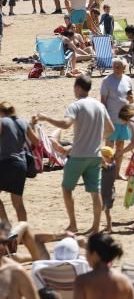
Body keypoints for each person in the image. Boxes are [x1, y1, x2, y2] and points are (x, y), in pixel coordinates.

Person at [33, 76, 114, 235]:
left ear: (77, 87)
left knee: (67, 188)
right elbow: (110, 129)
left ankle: (73, 224)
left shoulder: (75, 106)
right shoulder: (99, 106)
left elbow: (66, 124)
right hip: (95, 155)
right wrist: (95, 137)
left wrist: (46, 118)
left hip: (78, 155)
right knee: (94, 191)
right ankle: (95, 227)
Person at [0, 101, 40, 224]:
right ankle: (23, 233)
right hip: (20, 165)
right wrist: (33, 126)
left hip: (5, 163)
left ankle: (6, 229)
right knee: (18, 203)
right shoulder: (24, 123)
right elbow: (37, 142)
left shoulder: (2, 122)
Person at [100, 59, 133, 179]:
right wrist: (105, 117)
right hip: (111, 118)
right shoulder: (107, 80)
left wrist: (130, 100)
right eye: (114, 66)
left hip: (124, 119)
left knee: (120, 147)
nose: (116, 68)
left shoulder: (128, 80)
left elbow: (131, 99)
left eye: (118, 66)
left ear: (124, 67)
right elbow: (103, 100)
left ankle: (117, 173)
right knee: (108, 147)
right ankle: (106, 172)